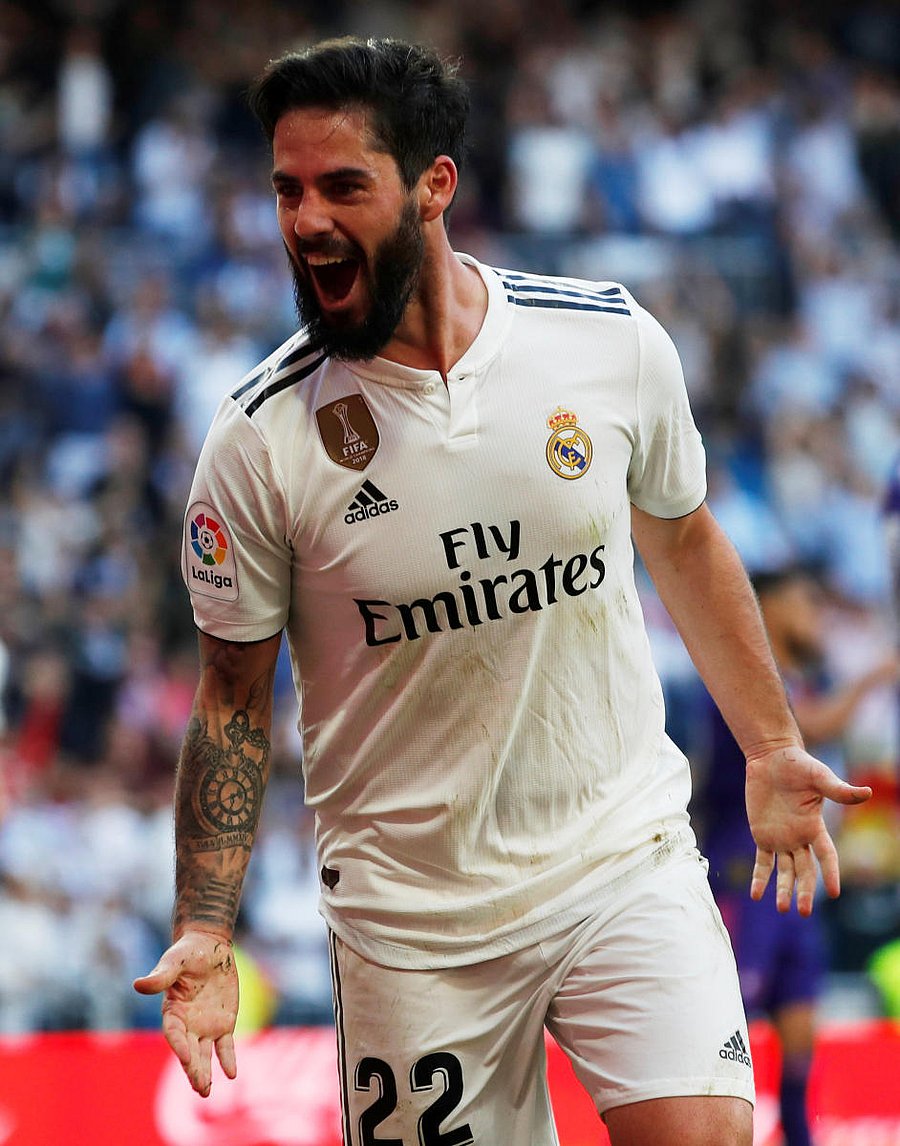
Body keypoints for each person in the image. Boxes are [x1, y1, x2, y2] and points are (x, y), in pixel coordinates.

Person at [133, 37, 872, 1145]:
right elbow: (234, 699)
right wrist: (203, 922)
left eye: (343, 186)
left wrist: (769, 745)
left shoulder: (605, 341)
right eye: (287, 189)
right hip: (410, 928)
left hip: (620, 861)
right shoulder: (258, 438)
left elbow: (684, 540)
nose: (305, 220)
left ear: (436, 186)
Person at [695, 567, 898, 1146]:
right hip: (744, 873)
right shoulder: (745, 680)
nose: (816, 618)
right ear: (772, 609)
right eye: (806, 603)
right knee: (726, 1023)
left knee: (801, 1025)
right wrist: (872, 682)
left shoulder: (800, 681)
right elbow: (805, 732)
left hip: (797, 874)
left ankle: (799, 1136)